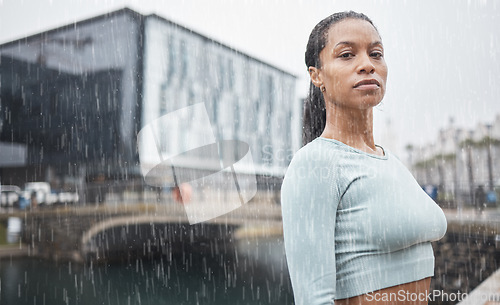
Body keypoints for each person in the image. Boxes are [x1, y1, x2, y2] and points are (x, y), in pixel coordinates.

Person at [281, 11, 447, 305]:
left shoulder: (390, 160)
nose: (367, 65)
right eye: (347, 54)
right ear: (316, 74)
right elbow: (312, 299)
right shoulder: (315, 164)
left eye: (376, 54)